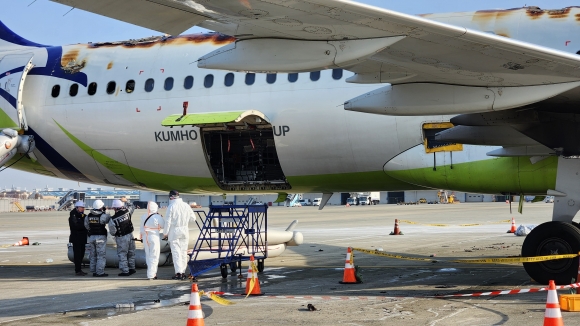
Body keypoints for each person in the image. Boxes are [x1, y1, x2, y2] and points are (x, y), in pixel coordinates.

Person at [163, 190, 195, 280]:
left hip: (174, 231)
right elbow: (193, 218)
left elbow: (168, 222)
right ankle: (183, 272)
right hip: (185, 230)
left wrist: (165, 233)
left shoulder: (171, 206)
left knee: (176, 252)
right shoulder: (186, 205)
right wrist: (184, 220)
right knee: (183, 252)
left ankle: (178, 273)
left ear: (171, 197)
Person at [109, 198, 136, 276]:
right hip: (130, 235)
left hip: (121, 238)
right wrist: (126, 201)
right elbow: (132, 206)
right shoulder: (127, 212)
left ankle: (125, 271)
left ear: (114, 208)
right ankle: (132, 268)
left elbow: (112, 232)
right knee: (131, 252)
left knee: (122, 254)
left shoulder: (112, 219)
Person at [84, 200, 110, 277]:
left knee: (93, 254)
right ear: (101, 207)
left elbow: (86, 226)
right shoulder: (103, 216)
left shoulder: (88, 216)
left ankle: (93, 271)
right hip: (100, 237)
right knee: (101, 255)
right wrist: (105, 212)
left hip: (91, 237)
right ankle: (100, 272)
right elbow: (109, 220)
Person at [140, 201, 165, 280]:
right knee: (155, 255)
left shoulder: (143, 216)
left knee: (148, 255)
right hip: (154, 236)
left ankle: (150, 273)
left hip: (145, 237)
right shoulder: (157, 217)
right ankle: (152, 274)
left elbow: (141, 228)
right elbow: (163, 225)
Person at [69, 201, 88, 276]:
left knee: (82, 254)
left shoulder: (81, 215)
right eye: (82, 207)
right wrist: (85, 226)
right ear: (77, 208)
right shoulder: (73, 216)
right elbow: (76, 226)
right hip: (76, 238)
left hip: (82, 237)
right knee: (77, 255)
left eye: (83, 207)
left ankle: (79, 269)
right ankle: (78, 270)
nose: (83, 209)